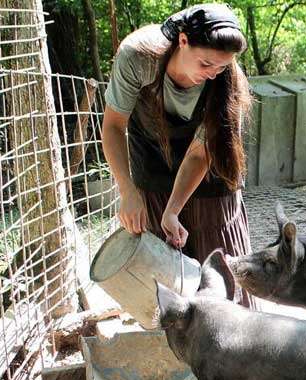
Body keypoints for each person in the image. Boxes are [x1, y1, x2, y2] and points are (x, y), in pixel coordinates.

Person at [102, 3, 255, 308]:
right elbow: (114, 126)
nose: (212, 75)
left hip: (211, 176)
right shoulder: (138, 57)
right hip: (152, 163)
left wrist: (174, 210)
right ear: (183, 41)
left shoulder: (228, 81)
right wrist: (127, 190)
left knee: (221, 278)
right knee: (165, 281)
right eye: (206, 64)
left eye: (221, 67)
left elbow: (199, 156)